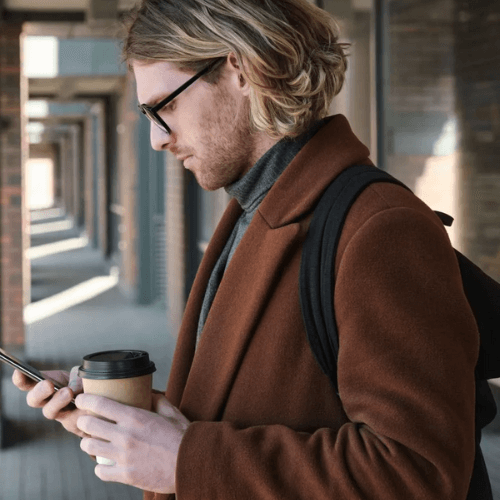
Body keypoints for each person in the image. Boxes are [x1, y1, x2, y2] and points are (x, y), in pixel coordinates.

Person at [13, 0, 480, 499]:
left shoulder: (380, 228)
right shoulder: (251, 209)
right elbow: (252, 405)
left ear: (239, 68)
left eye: (165, 106)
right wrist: (137, 422)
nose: (155, 139)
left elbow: (417, 473)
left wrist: (186, 459)